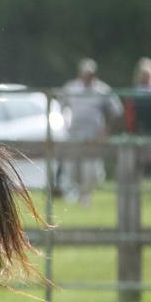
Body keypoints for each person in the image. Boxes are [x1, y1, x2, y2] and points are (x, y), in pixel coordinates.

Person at [61, 58, 122, 205]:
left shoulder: (102, 89)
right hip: (74, 134)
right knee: (72, 169)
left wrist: (106, 130)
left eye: (90, 74)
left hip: (93, 136)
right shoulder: (71, 88)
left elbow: (116, 110)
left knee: (90, 170)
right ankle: (72, 195)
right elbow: (60, 105)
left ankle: (85, 198)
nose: (88, 76)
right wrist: (65, 122)